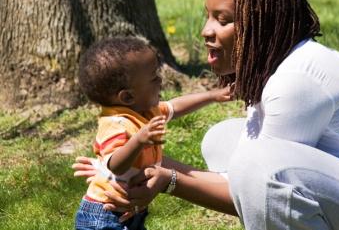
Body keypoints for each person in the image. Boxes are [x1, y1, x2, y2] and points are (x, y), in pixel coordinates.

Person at [74, 0, 339, 230]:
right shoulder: (281, 67)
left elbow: (260, 184)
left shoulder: (299, 80)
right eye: (208, 16)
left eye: (224, 19)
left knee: (263, 167)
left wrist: (170, 181)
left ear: (260, 25)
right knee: (223, 140)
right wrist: (135, 169)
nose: (206, 30)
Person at [74, 36, 232, 230]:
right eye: (153, 77)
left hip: (130, 210)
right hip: (105, 214)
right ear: (128, 96)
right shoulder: (116, 124)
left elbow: (175, 106)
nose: (160, 79)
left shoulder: (145, 110)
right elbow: (115, 164)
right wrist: (138, 140)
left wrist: (212, 96)